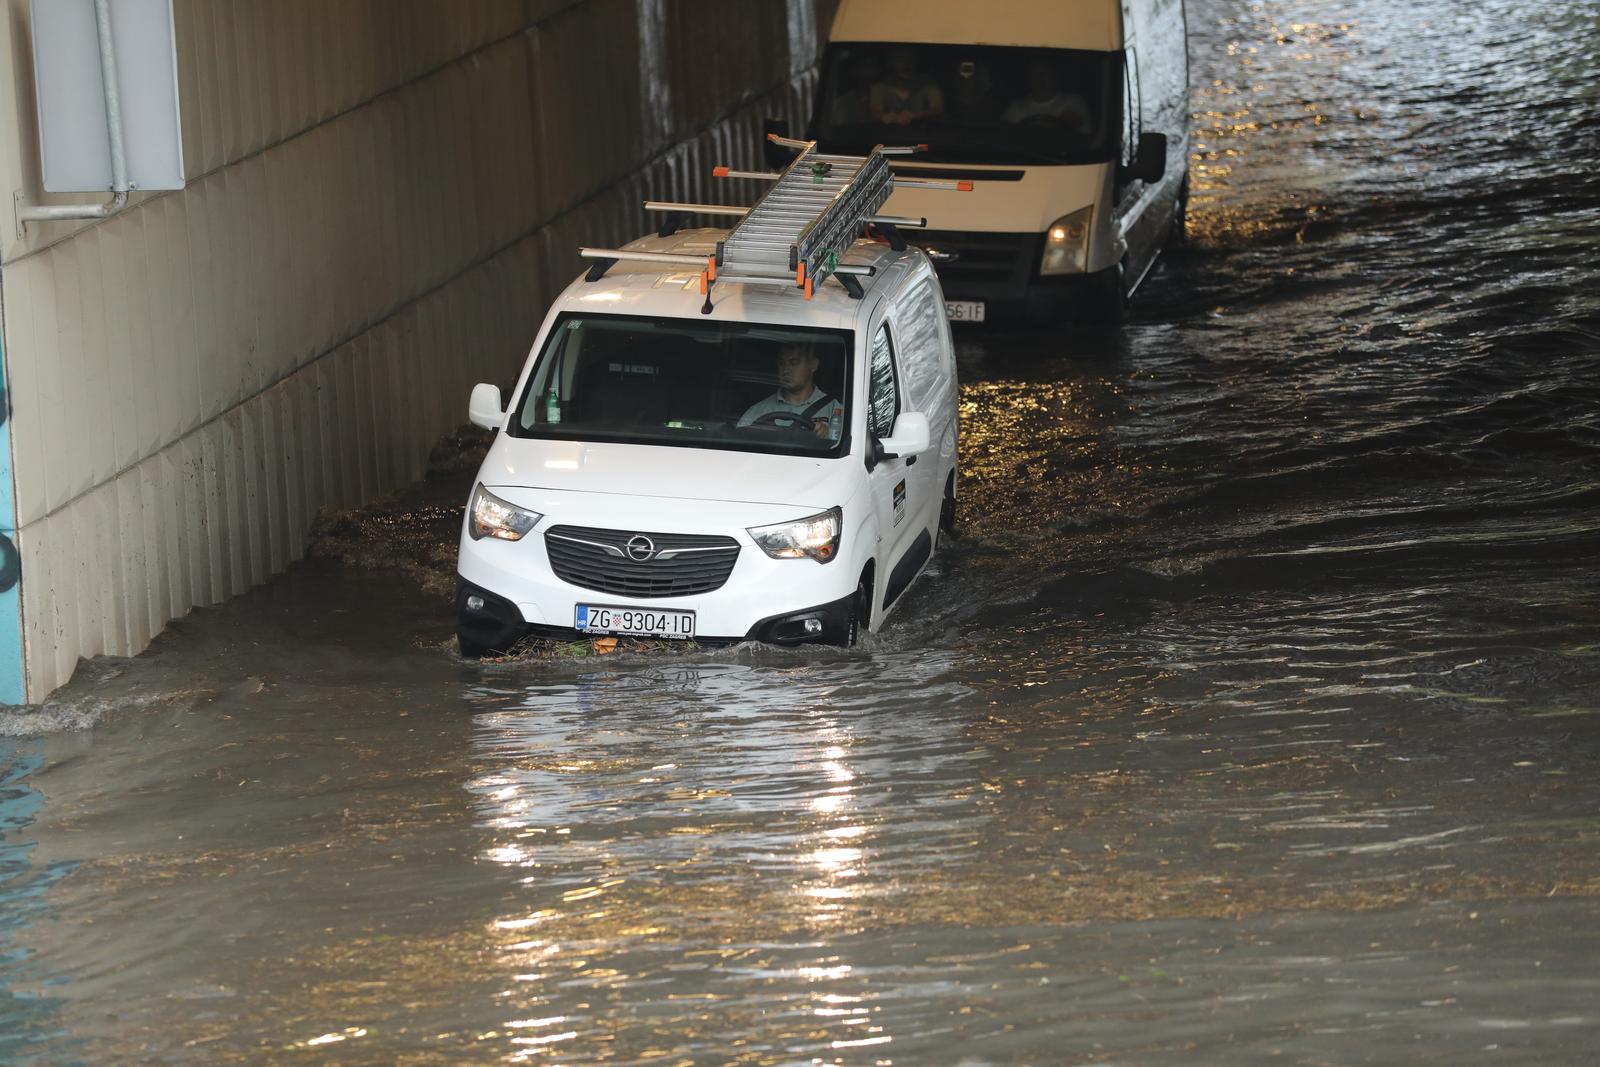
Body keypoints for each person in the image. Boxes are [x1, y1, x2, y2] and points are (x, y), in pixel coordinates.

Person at [738, 345, 843, 442]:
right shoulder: (758, 411)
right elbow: (739, 445)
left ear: (813, 365)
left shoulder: (834, 409)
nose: (786, 370)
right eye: (781, 363)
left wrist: (827, 436)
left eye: (794, 362)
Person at [1003, 57, 1091, 134]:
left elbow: (1073, 125)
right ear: (1027, 79)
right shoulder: (1016, 108)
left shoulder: (1074, 101)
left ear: (1055, 76)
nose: (1039, 78)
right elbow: (1006, 136)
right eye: (1034, 74)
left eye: (1045, 73)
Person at [870, 46, 944, 126]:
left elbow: (938, 109)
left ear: (916, 60)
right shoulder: (880, 87)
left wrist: (915, 116)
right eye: (900, 59)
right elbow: (875, 113)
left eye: (910, 57)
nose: (906, 63)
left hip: (923, 135)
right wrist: (884, 117)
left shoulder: (928, 83)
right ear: (891, 62)